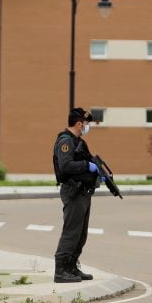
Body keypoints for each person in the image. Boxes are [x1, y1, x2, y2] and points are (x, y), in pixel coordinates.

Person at [52, 107, 101, 283]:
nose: (87, 126)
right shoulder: (65, 141)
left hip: (83, 192)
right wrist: (86, 167)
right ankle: (61, 270)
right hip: (73, 191)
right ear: (79, 123)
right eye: (86, 123)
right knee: (71, 232)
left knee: (81, 233)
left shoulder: (78, 141)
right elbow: (65, 166)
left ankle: (72, 267)